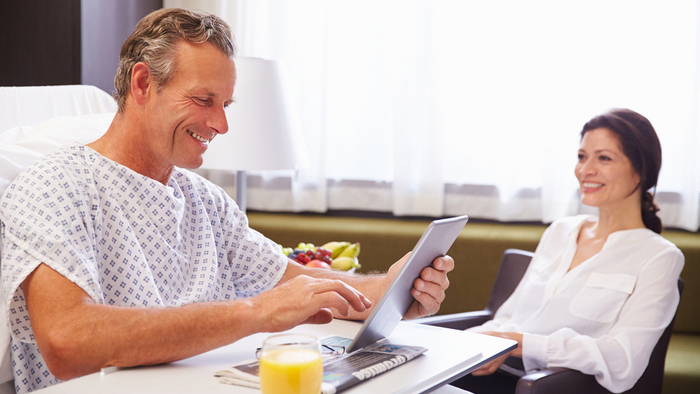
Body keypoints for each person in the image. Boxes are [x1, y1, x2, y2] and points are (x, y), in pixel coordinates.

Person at [0, 8, 454, 394]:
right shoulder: (54, 187)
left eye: (226, 105)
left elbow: (301, 289)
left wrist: (396, 290)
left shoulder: (206, 203)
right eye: (203, 100)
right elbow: (67, 343)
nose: (220, 124)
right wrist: (256, 312)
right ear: (142, 84)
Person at [452, 108, 685, 393]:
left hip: (549, 387)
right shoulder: (560, 231)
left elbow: (623, 359)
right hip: (491, 371)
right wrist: (459, 346)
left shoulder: (660, 257)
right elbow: (508, 317)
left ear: (642, 169)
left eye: (604, 158)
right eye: (582, 156)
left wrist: (517, 344)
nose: (585, 170)